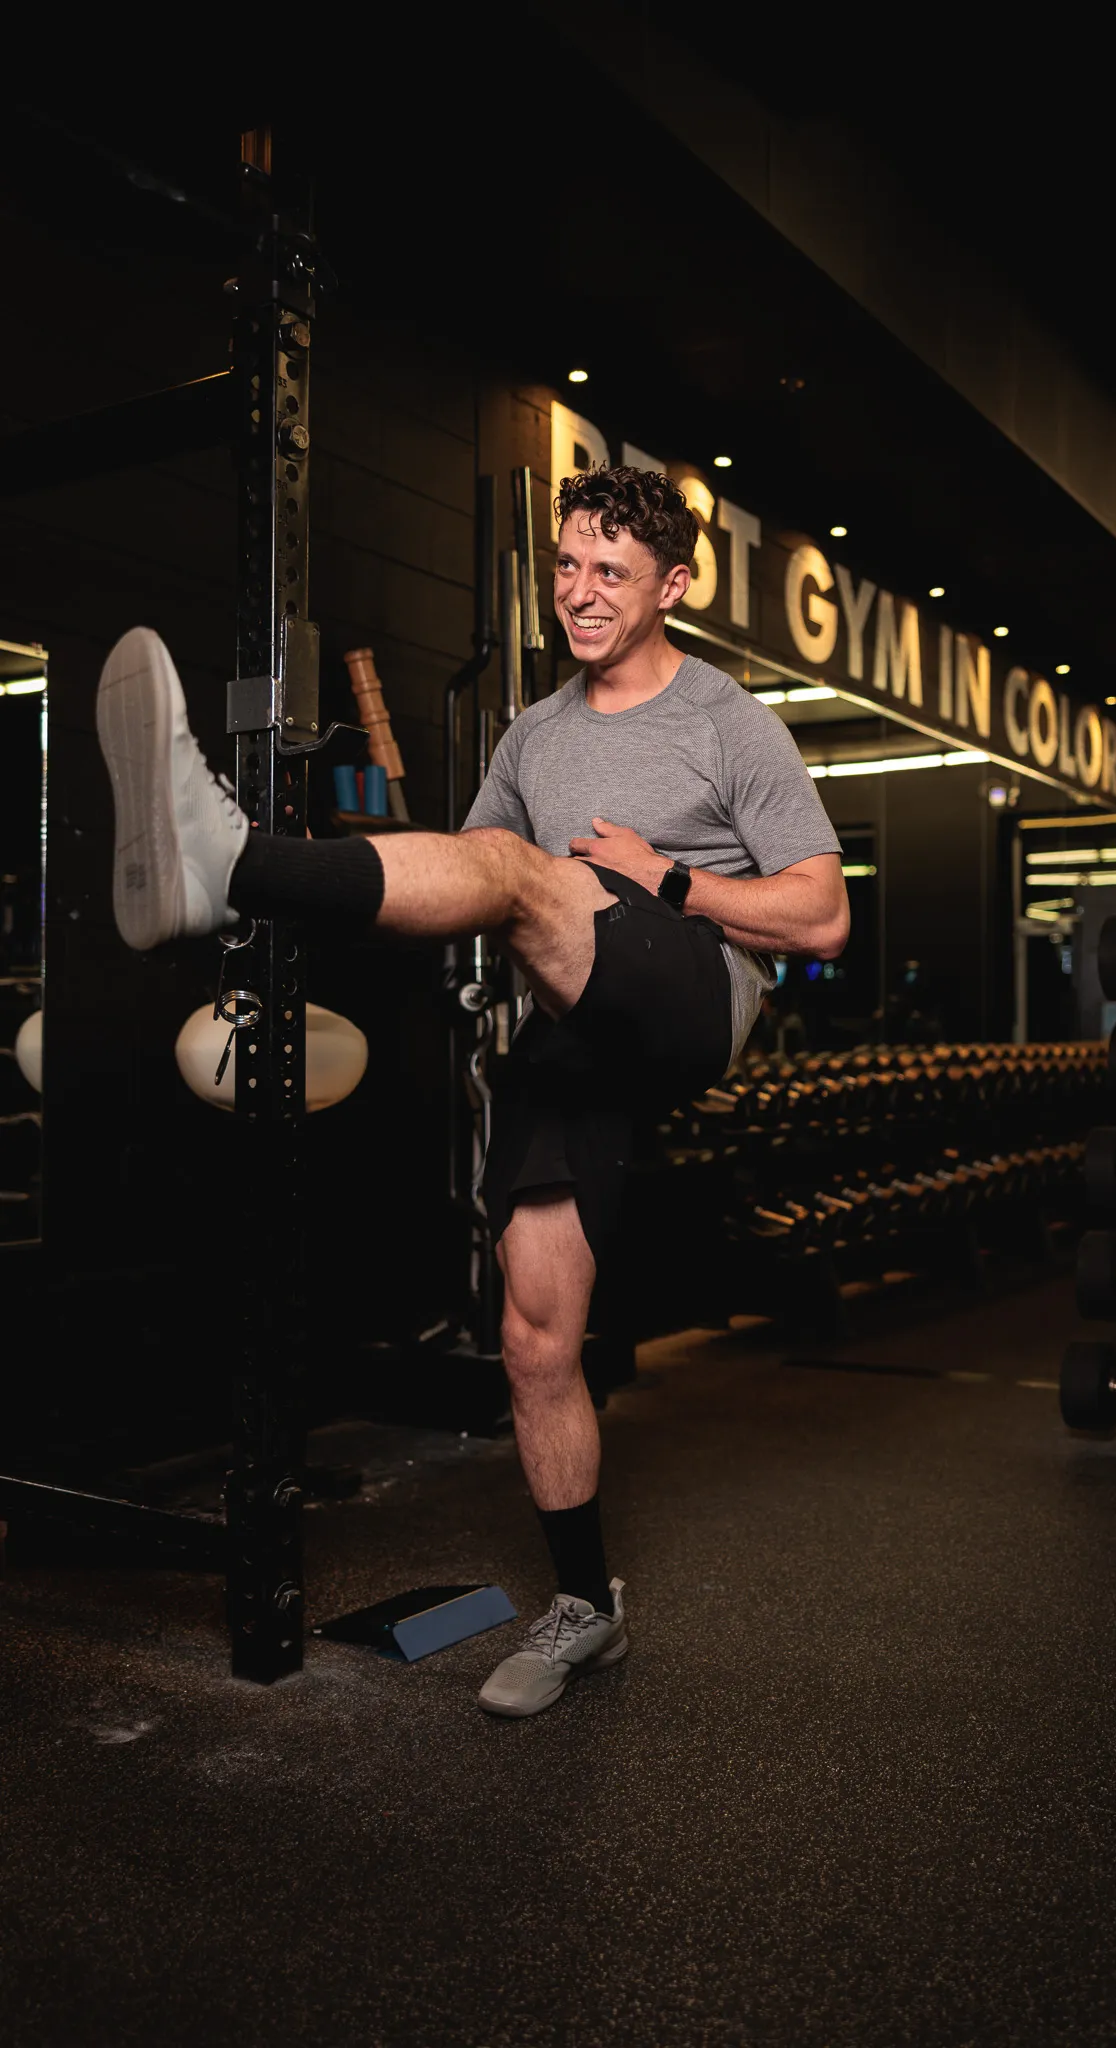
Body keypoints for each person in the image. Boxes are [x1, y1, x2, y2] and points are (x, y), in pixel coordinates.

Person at [96, 465, 848, 1716]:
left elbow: (821, 914)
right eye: (565, 565)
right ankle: (585, 1607)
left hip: (690, 995)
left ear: (671, 585)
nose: (578, 592)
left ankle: (229, 864)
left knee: (515, 867)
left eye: (609, 571)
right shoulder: (536, 734)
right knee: (533, 1336)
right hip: (570, 1034)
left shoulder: (731, 722)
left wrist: (667, 880)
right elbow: (462, 881)